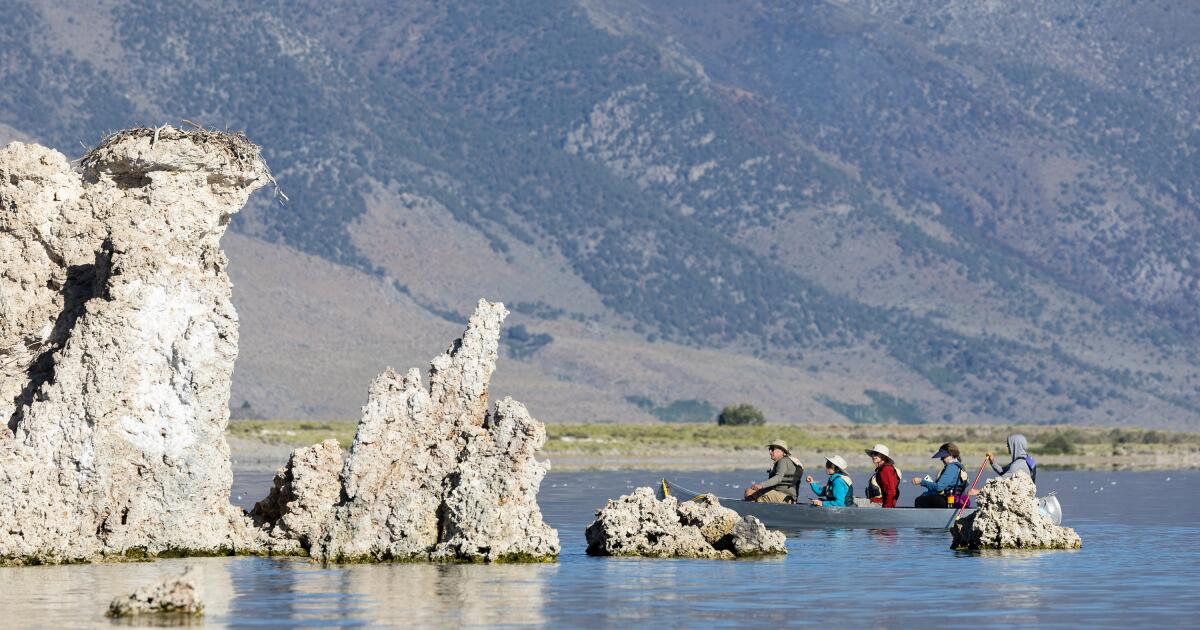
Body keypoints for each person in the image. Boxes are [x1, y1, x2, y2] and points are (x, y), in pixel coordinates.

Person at [911, 442, 967, 508]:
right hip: (955, 500)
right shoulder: (959, 466)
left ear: (951, 455)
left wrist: (921, 481)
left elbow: (939, 487)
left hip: (949, 501)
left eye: (943, 457)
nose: (941, 459)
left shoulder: (952, 467)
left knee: (919, 500)